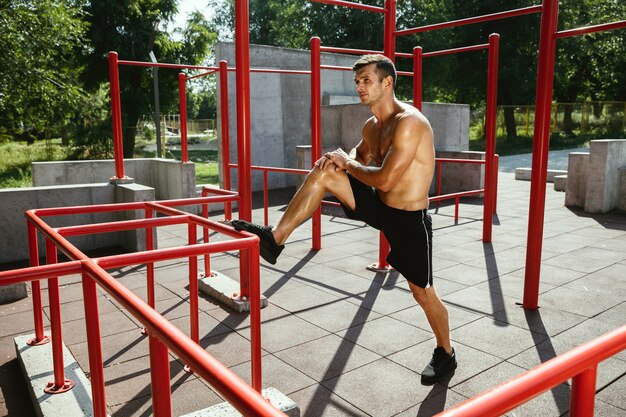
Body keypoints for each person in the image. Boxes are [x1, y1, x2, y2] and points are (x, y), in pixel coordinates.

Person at [229, 54, 456, 384]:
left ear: (387, 82)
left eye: (366, 80)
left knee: (422, 292)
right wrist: (338, 161)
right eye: (357, 82)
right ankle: (274, 238)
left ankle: (445, 353)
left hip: (408, 219)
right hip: (379, 205)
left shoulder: (410, 123)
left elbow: (385, 179)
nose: (359, 87)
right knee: (325, 171)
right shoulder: (372, 126)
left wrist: (346, 164)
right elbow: (357, 159)